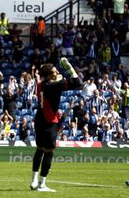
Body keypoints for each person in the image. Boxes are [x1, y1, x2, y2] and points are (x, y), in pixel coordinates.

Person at [30, 58, 82, 192]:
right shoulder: (53, 85)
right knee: (49, 152)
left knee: (39, 149)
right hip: (49, 121)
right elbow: (78, 83)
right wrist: (69, 68)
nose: (57, 71)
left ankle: (34, 180)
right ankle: (41, 185)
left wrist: (57, 78)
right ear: (49, 74)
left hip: (39, 119)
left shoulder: (41, 84)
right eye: (55, 71)